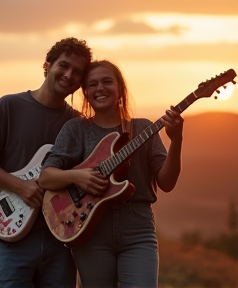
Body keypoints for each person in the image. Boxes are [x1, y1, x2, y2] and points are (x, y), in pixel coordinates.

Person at [39, 60, 184, 288]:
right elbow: (46, 177)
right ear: (85, 93)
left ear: (120, 89)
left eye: (107, 82)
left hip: (138, 229)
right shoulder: (75, 130)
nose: (100, 88)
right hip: (90, 231)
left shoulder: (143, 128)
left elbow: (166, 182)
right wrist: (79, 177)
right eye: (92, 84)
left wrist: (176, 140)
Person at [0, 37, 92, 288]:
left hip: (61, 243)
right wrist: (20, 186)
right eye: (63, 65)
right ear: (47, 64)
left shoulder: (79, 125)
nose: (68, 75)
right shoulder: (9, 106)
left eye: (77, 72)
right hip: (14, 239)